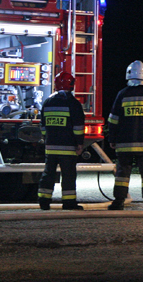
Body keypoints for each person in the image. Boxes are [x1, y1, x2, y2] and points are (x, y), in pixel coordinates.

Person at [107, 60, 143, 211]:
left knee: (122, 173)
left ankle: (119, 201)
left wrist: (112, 138)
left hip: (124, 143)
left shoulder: (122, 94)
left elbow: (113, 120)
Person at [38, 71, 86, 210]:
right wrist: (79, 143)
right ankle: (69, 203)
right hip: (68, 147)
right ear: (71, 85)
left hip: (51, 147)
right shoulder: (73, 103)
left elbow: (43, 126)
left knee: (48, 174)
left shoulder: (48, 102)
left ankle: (44, 201)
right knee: (68, 175)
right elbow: (78, 127)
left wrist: (46, 139)